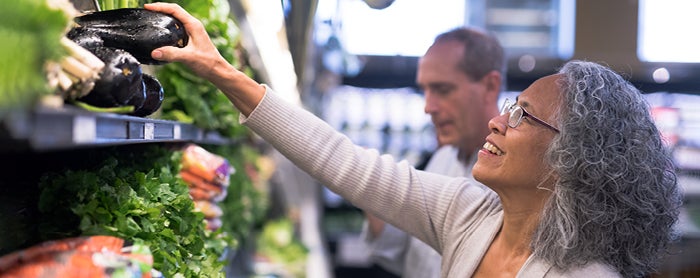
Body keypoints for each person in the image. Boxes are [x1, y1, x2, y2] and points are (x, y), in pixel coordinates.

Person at [145, 3, 683, 277]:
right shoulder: (471, 212)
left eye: (521, 116)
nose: (499, 120)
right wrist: (222, 72)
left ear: (567, 159)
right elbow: (344, 162)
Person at [362, 27, 504, 278]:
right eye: (425, 91)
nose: (429, 107)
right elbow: (409, 256)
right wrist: (370, 190)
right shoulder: (442, 159)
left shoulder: (512, 182)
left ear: (490, 86)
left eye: (443, 89)